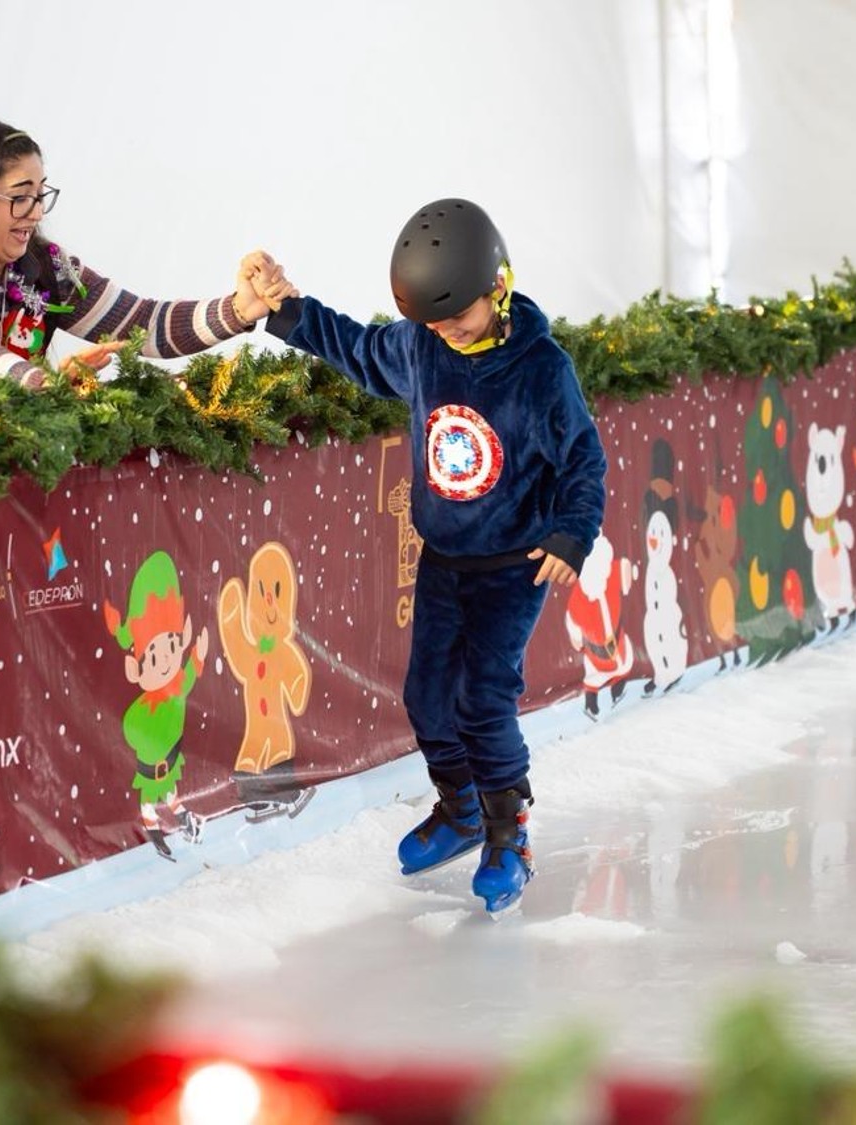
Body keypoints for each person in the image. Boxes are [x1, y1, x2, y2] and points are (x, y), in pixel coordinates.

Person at [256, 198, 607, 913]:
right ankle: (461, 809)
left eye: (460, 318)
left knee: (483, 698)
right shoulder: (422, 348)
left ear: (499, 286)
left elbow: (583, 461)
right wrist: (289, 310)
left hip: (515, 563)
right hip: (444, 557)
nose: (448, 332)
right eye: (434, 323)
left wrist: (572, 533)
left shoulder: (540, 369)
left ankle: (509, 832)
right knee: (424, 696)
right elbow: (357, 347)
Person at [0, 119, 292, 400]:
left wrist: (237, 309)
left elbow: (142, 326)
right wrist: (47, 384)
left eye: (39, 195)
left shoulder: (47, 269)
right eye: (19, 197)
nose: (33, 212)